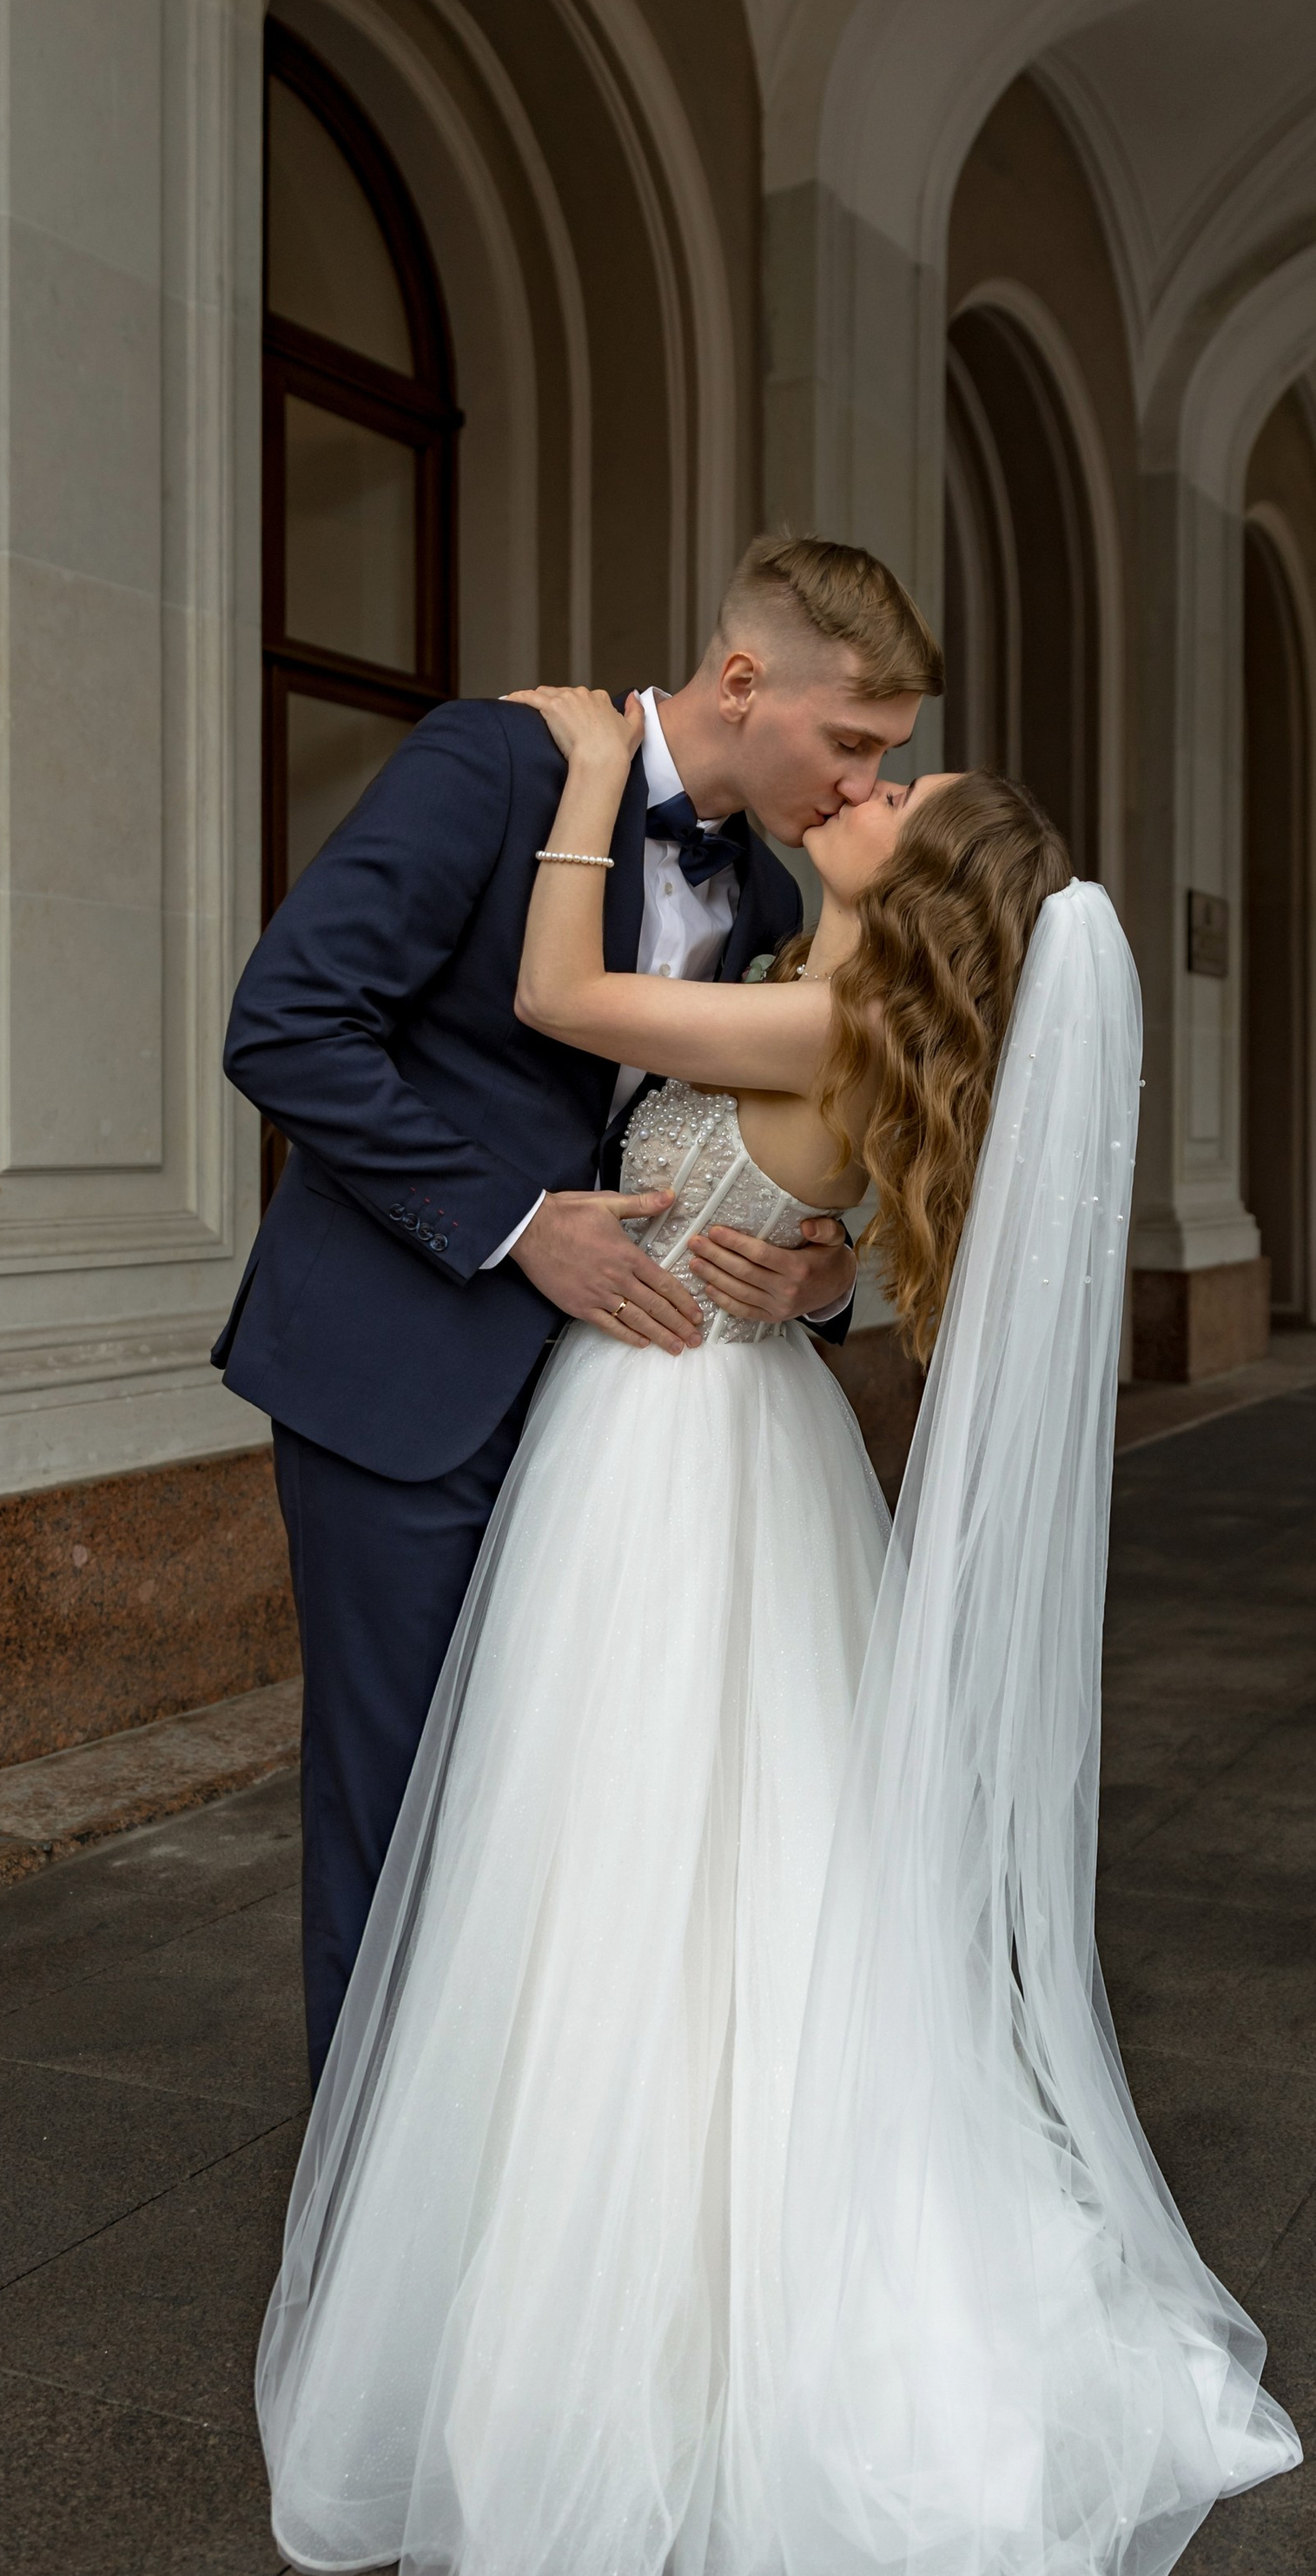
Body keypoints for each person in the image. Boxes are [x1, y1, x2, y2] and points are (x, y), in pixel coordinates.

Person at [254, 694, 1301, 2576]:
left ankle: (615, 2332)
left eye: (893, 793)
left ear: (918, 895)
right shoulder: (793, 993)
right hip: (686, 1437)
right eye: (871, 755)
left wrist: (567, 762)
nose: (860, 790)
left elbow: (557, 991)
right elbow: (745, 1198)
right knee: (698, 1862)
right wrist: (797, 1259)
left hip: (670, 1462)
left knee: (651, 1861)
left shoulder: (806, 1032)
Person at [213, 537, 938, 2089]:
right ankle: (372, 2250)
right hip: (400, 1370)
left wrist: (821, 1274)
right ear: (746, 682)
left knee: (547, 1820)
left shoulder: (756, 890)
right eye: (856, 742)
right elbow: (287, 1023)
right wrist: (516, 1224)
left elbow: (733, 1148)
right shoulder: (493, 764)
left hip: (611, 1416)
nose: (866, 780)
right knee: (401, 1807)